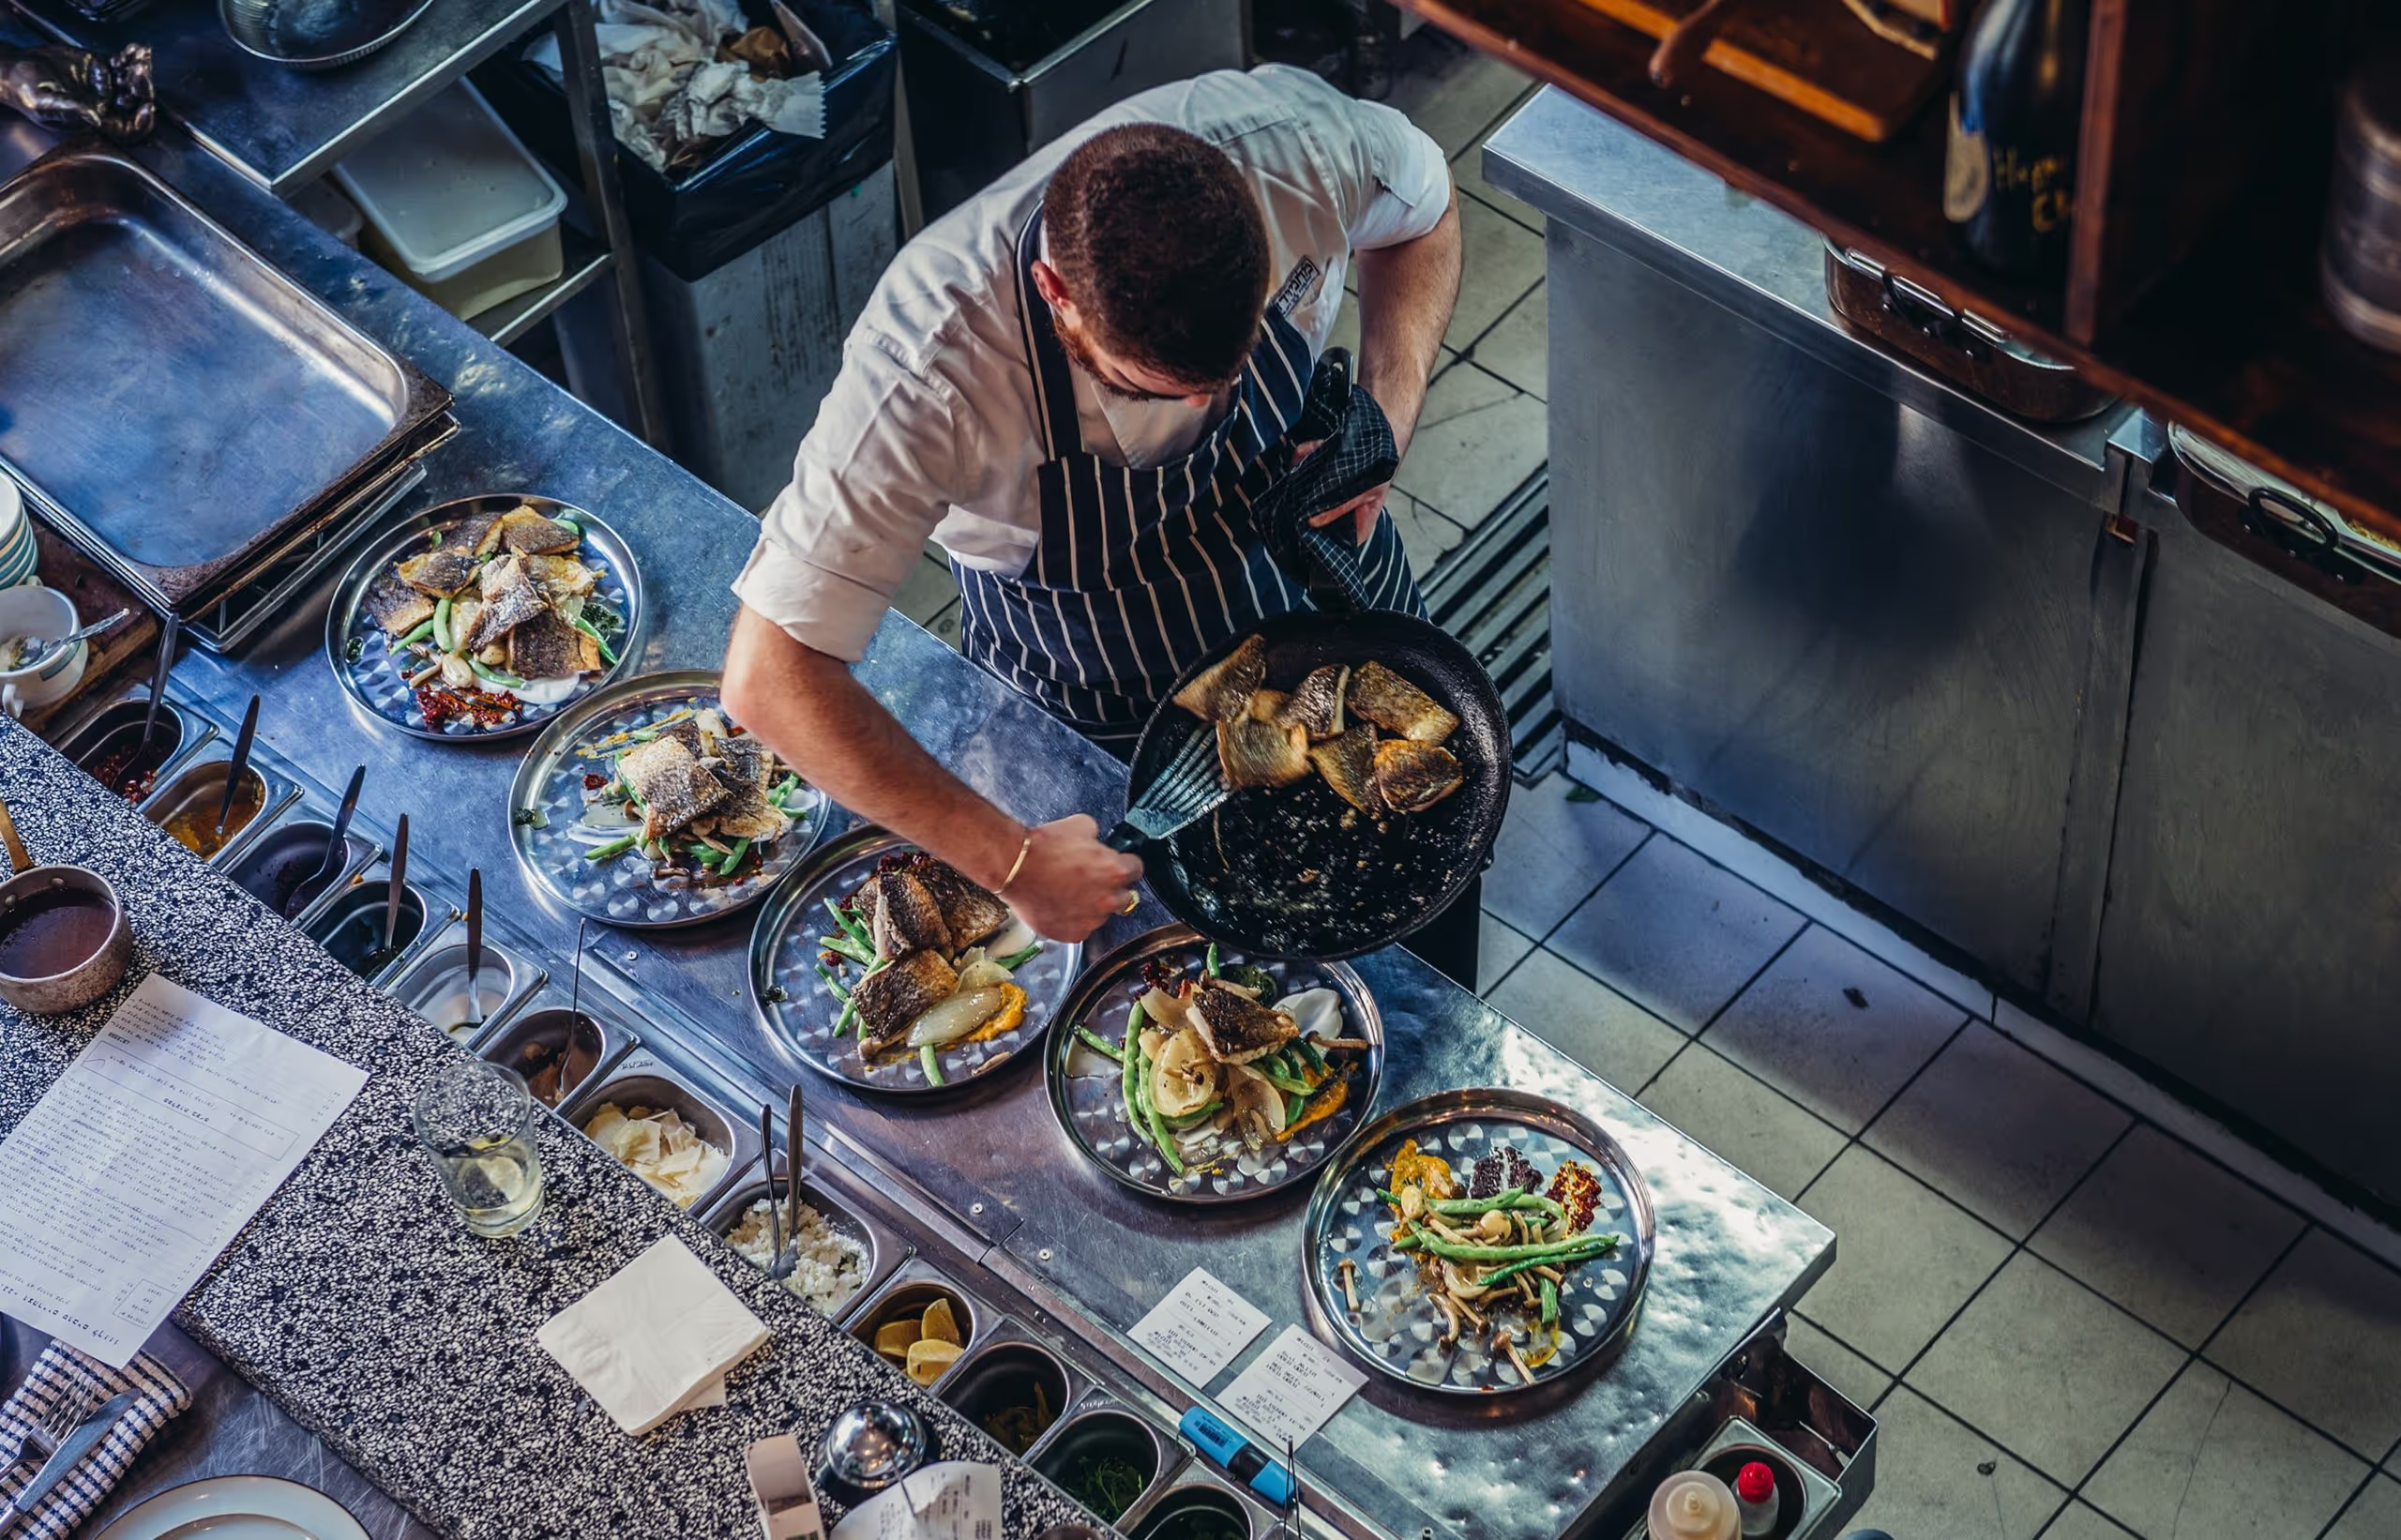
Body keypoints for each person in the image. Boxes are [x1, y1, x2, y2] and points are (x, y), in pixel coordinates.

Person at [722, 65, 1468, 970]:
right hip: (1108, 694)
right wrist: (1015, 860)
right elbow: (771, 679)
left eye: (1230, 372)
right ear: (1055, 293)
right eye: (1157, 388)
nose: (1206, 407)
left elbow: (1426, 213)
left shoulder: (1293, 146)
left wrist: (1383, 422)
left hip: (1327, 575)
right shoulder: (925, 371)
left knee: (1428, 890)